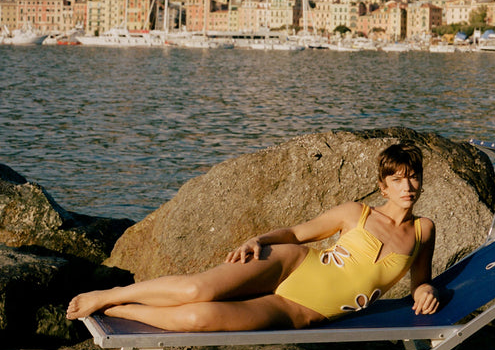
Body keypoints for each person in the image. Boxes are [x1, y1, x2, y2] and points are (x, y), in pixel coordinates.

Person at [66, 141, 440, 332]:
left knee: (199, 318)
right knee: (198, 291)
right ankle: (110, 294)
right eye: (397, 179)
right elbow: (296, 233)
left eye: (412, 177)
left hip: (300, 310)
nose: (407, 186)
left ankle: (118, 311)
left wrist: (426, 292)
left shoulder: (424, 230)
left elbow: (419, 282)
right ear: (383, 185)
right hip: (290, 264)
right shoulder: (355, 213)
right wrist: (258, 241)